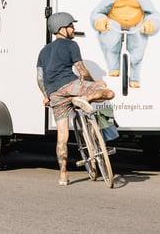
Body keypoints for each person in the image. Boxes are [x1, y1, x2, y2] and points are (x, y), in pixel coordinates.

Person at [36, 12, 115, 186]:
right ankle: (85, 98)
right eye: (71, 26)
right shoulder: (71, 45)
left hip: (55, 95)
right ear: (61, 29)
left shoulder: (43, 51)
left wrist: (46, 96)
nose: (73, 29)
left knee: (62, 137)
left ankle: (63, 175)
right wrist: (94, 84)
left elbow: (40, 78)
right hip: (71, 86)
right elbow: (82, 70)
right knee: (108, 93)